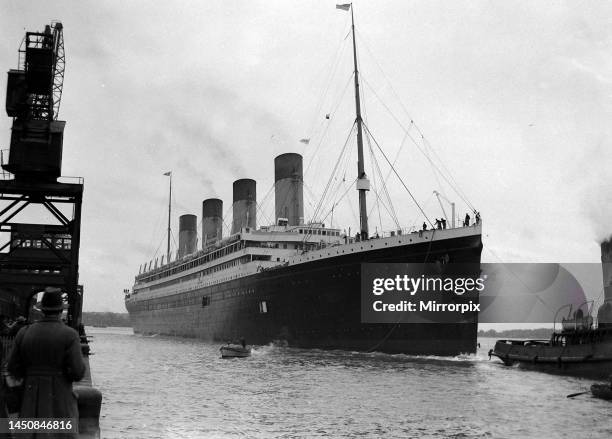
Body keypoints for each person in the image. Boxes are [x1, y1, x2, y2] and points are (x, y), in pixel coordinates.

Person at [7, 287, 85, 436]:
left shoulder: (24, 332)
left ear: (42, 310)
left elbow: (12, 367)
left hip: (29, 399)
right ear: (60, 310)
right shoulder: (70, 335)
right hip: (60, 399)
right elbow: (78, 372)